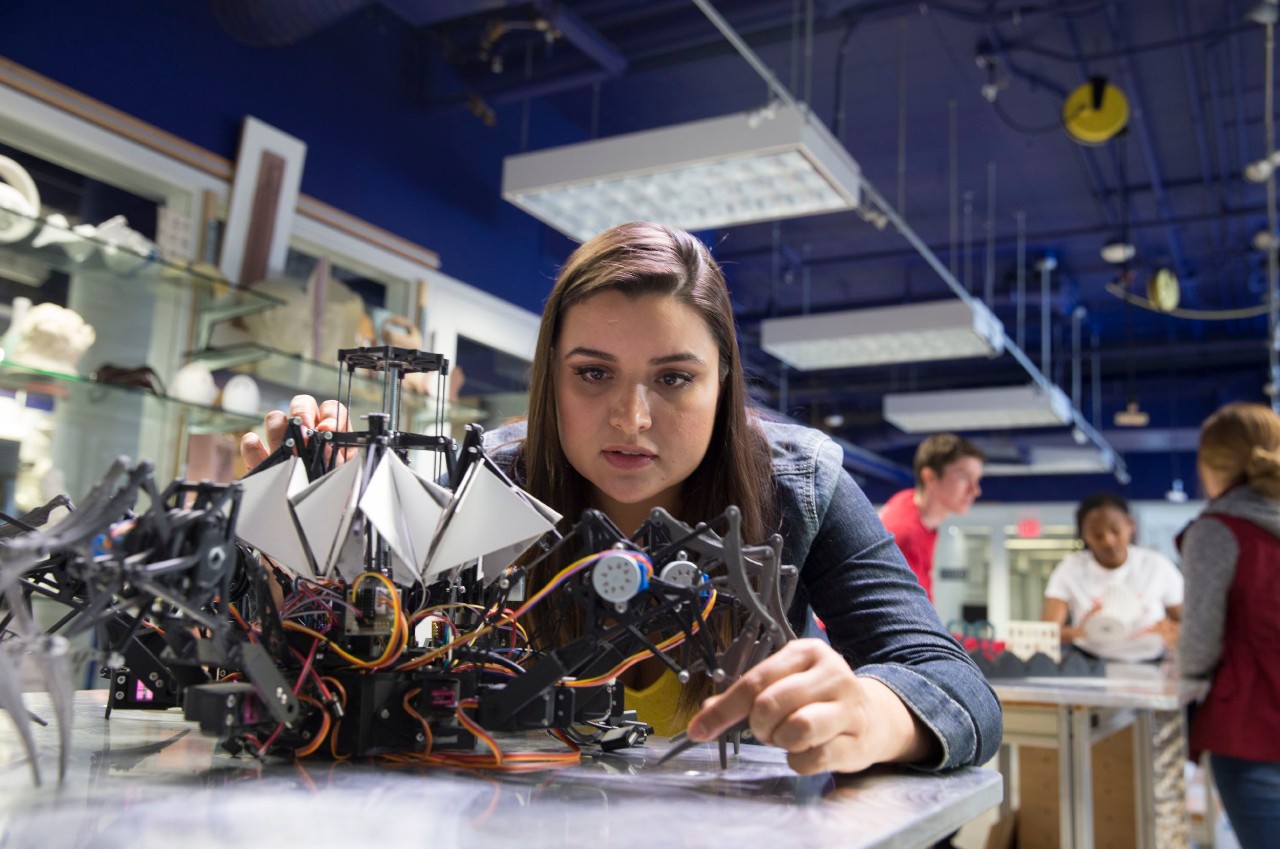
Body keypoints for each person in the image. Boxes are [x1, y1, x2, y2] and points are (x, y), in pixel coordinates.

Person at [243, 222, 1001, 775]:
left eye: (674, 378)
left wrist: (873, 711)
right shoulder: (485, 479)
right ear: (552, 379)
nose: (631, 420)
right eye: (593, 373)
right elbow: (351, 656)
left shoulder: (801, 485)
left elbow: (954, 683)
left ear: (723, 384)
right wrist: (299, 524)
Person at [1177, 402, 1280, 849]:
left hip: (1256, 728)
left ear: (1209, 465)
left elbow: (1198, 648)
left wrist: (1187, 672)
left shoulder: (1219, 531)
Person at [1041, 493, 1183, 648]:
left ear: (1130, 525)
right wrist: (1079, 632)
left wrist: (1172, 632)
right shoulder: (1070, 569)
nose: (1108, 541)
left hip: (1152, 661)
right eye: (1097, 535)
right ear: (1084, 536)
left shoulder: (1156, 565)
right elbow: (1047, 632)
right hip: (1092, 663)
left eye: (1115, 531)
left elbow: (1188, 624)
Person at [877, 434, 985, 600]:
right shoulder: (906, 534)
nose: (975, 490)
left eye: (976, 480)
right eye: (964, 477)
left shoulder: (909, 502)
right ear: (930, 477)